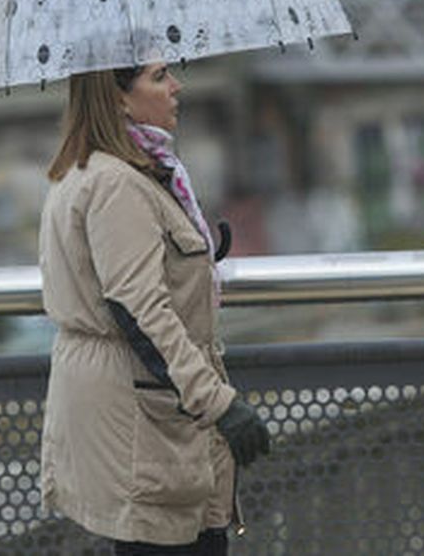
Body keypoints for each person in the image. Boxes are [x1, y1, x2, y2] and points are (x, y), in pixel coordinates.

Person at [39, 62, 272, 554]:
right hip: (142, 420)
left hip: (143, 410)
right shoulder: (117, 184)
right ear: (119, 97)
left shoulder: (110, 171)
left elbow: (140, 272)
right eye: (160, 75)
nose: (176, 86)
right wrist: (218, 403)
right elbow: (139, 308)